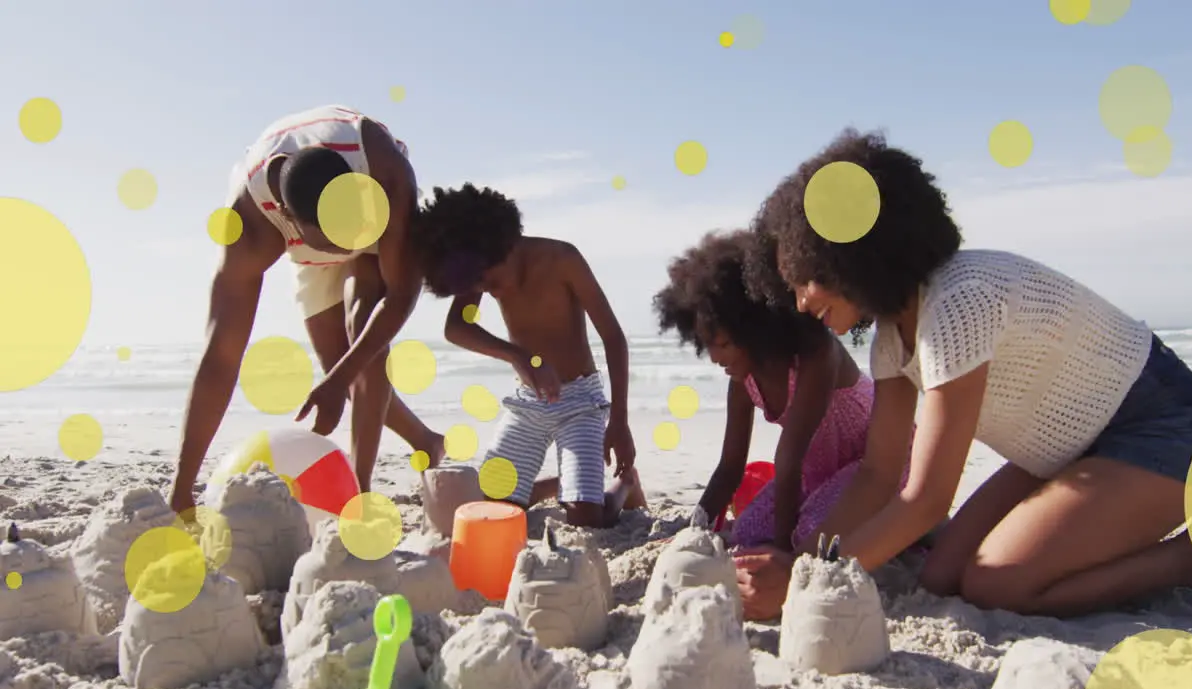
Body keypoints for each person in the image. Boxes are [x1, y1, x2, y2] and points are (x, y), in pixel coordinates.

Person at [736, 126, 1192, 619]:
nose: (801, 303)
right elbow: (877, 474)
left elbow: (926, 500)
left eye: (805, 280)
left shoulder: (960, 301)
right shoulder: (891, 340)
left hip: (1162, 432)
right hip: (1067, 453)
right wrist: (803, 565)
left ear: (848, 256)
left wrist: (804, 585)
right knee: (941, 577)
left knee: (996, 584)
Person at [169, 105, 445, 518]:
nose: (348, 247)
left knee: (361, 340)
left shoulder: (383, 169)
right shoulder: (250, 224)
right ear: (287, 221)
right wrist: (182, 489)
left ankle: (360, 495)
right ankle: (426, 440)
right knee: (337, 362)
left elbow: (401, 295)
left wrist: (340, 380)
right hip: (302, 231)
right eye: (336, 241)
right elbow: (220, 357)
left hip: (375, 212)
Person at [653, 230, 910, 583]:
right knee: (745, 534)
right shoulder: (742, 380)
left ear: (757, 327)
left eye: (724, 343)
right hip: (817, 475)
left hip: (876, 465)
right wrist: (692, 530)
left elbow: (788, 461)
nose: (714, 357)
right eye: (706, 345)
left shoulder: (817, 355)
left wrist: (782, 556)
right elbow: (730, 467)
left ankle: (906, 532)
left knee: (805, 534)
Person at [413, 183, 641, 528]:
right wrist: (519, 356)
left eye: (487, 281)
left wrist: (620, 422)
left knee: (586, 517)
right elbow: (456, 327)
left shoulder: (563, 259)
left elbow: (613, 337)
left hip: (580, 400)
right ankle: (563, 485)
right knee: (491, 508)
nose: (486, 292)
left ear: (500, 245)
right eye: (476, 288)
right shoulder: (478, 272)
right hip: (528, 401)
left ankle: (625, 483)